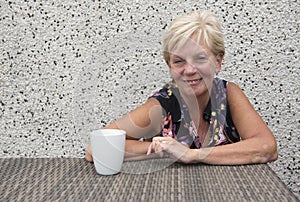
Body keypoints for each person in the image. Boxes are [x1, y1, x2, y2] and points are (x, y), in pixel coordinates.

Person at [85, 10, 278, 165]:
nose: (189, 70)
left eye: (200, 58)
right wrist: (163, 150)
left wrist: (191, 154)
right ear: (169, 65)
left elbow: (267, 147)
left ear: (218, 61)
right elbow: (95, 149)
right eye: (179, 61)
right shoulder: (162, 105)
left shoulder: (229, 94)